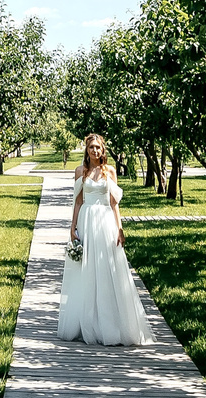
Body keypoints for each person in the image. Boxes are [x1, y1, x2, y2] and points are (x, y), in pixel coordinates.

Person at [55, 133, 154, 346]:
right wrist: (72, 227)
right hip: (87, 220)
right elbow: (78, 202)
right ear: (86, 150)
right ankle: (87, 321)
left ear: (103, 150)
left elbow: (114, 203)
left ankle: (110, 322)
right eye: (91, 147)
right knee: (87, 268)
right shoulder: (80, 172)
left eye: (98, 148)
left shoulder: (109, 171)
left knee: (107, 267)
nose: (94, 151)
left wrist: (120, 228)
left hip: (105, 221)